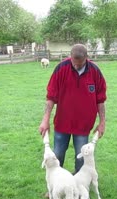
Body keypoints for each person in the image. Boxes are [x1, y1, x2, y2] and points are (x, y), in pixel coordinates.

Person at [38, 43, 107, 174]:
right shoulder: (61, 68)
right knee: (57, 155)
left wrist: (102, 122)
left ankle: (79, 188)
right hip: (62, 123)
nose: (76, 66)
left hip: (83, 125)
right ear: (70, 57)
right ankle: (55, 186)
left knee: (81, 158)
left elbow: (101, 100)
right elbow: (51, 97)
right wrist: (45, 120)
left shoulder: (95, 71)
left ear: (87, 58)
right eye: (74, 63)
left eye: (79, 64)